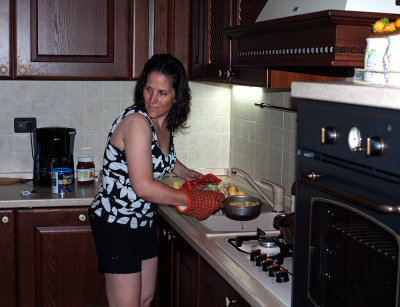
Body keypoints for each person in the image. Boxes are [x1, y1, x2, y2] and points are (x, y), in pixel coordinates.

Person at [88, 54, 224, 307]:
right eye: (149, 89)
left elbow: (160, 157)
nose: (152, 99)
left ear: (177, 96)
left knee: (145, 298)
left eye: (162, 93)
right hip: (115, 223)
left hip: (143, 220)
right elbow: (144, 187)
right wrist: (191, 199)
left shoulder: (163, 122)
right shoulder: (138, 122)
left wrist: (184, 172)